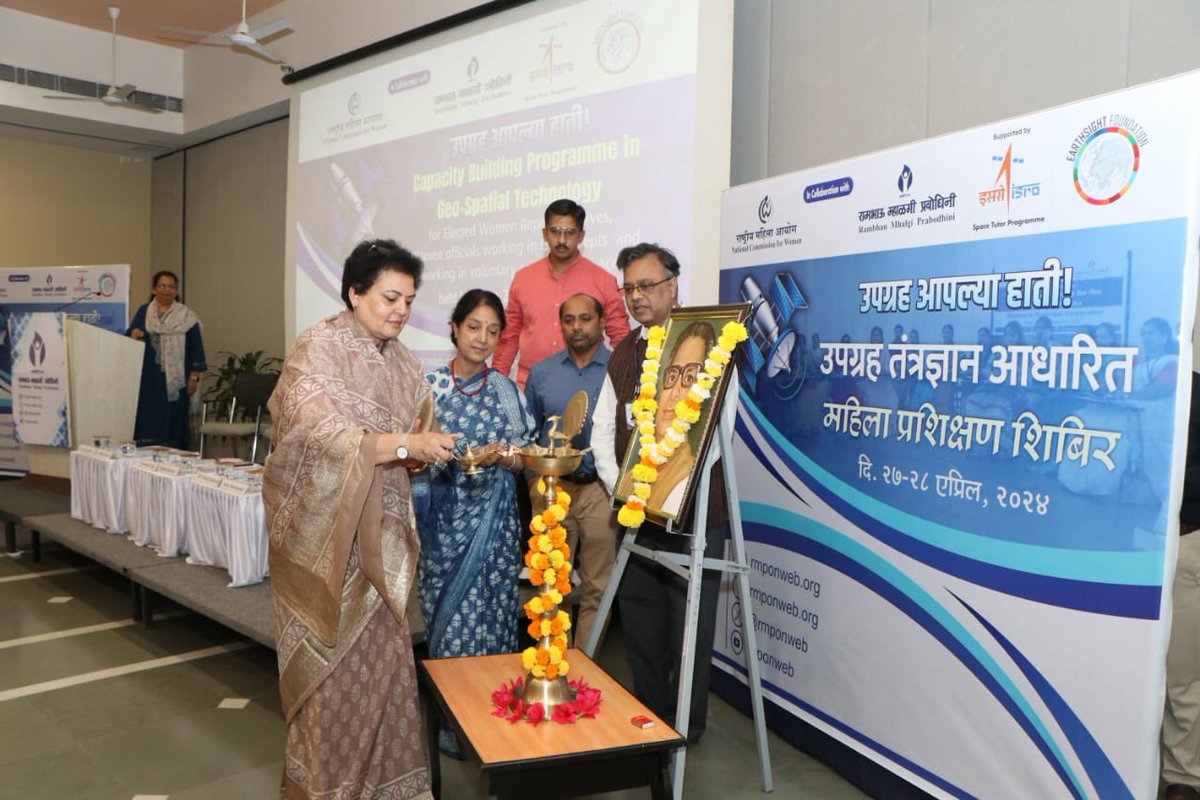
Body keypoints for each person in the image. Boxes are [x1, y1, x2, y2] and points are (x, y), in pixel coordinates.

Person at [263, 239, 458, 800]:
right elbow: (312, 436)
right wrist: (402, 443)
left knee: (384, 680)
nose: (400, 310)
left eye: (408, 301)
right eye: (390, 297)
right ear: (354, 292)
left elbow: (411, 438)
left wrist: (421, 450)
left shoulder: (402, 363)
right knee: (331, 686)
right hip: (327, 544)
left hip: (385, 547)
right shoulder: (317, 348)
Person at [593, 242, 730, 744]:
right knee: (642, 623)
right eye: (628, 288)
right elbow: (602, 429)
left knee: (688, 629)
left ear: (673, 285)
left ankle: (684, 731)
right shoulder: (625, 353)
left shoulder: (712, 345)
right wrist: (623, 489)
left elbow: (720, 434)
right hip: (636, 515)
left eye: (646, 286)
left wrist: (678, 490)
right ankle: (646, 723)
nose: (636, 296)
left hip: (696, 514)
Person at [416, 289, 535, 665]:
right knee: (448, 631)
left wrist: (504, 457)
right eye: (473, 327)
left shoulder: (505, 391)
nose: (482, 338)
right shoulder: (429, 389)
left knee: (495, 619)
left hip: (497, 530)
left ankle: (491, 718)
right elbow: (413, 460)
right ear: (455, 328)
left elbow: (526, 456)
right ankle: (452, 722)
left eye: (492, 331)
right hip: (443, 530)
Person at [524, 292, 620, 649]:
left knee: (599, 586)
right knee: (551, 583)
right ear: (560, 324)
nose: (577, 327)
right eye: (569, 320)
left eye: (585, 318)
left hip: (600, 490)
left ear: (601, 322)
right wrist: (535, 482)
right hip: (552, 490)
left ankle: (584, 670)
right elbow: (530, 433)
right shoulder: (542, 373)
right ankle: (551, 667)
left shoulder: (619, 368)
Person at [493, 198, 630, 389]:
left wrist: (627, 383)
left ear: (581, 235)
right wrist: (497, 384)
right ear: (544, 233)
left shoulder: (603, 280)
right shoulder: (523, 279)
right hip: (531, 387)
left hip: (586, 386)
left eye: (570, 233)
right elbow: (509, 337)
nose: (562, 240)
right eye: (555, 231)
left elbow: (621, 337)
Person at [614, 320, 716, 516]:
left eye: (689, 378)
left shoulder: (684, 478)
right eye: (672, 376)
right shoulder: (632, 475)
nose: (675, 392)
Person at [1163, 371, 1200, 800]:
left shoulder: (1193, 390)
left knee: (1183, 679)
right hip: (1145, 551)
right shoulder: (1133, 391)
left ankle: (1183, 780)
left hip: (1185, 547)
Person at [126, 270, 206, 450]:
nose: (166, 290)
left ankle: (173, 461)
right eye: (162, 286)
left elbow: (196, 349)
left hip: (176, 381)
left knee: (173, 422)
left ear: (176, 291)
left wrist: (194, 377)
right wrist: (134, 334)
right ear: (154, 289)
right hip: (148, 378)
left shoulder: (186, 315)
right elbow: (129, 335)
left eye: (171, 286)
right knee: (147, 421)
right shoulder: (143, 312)